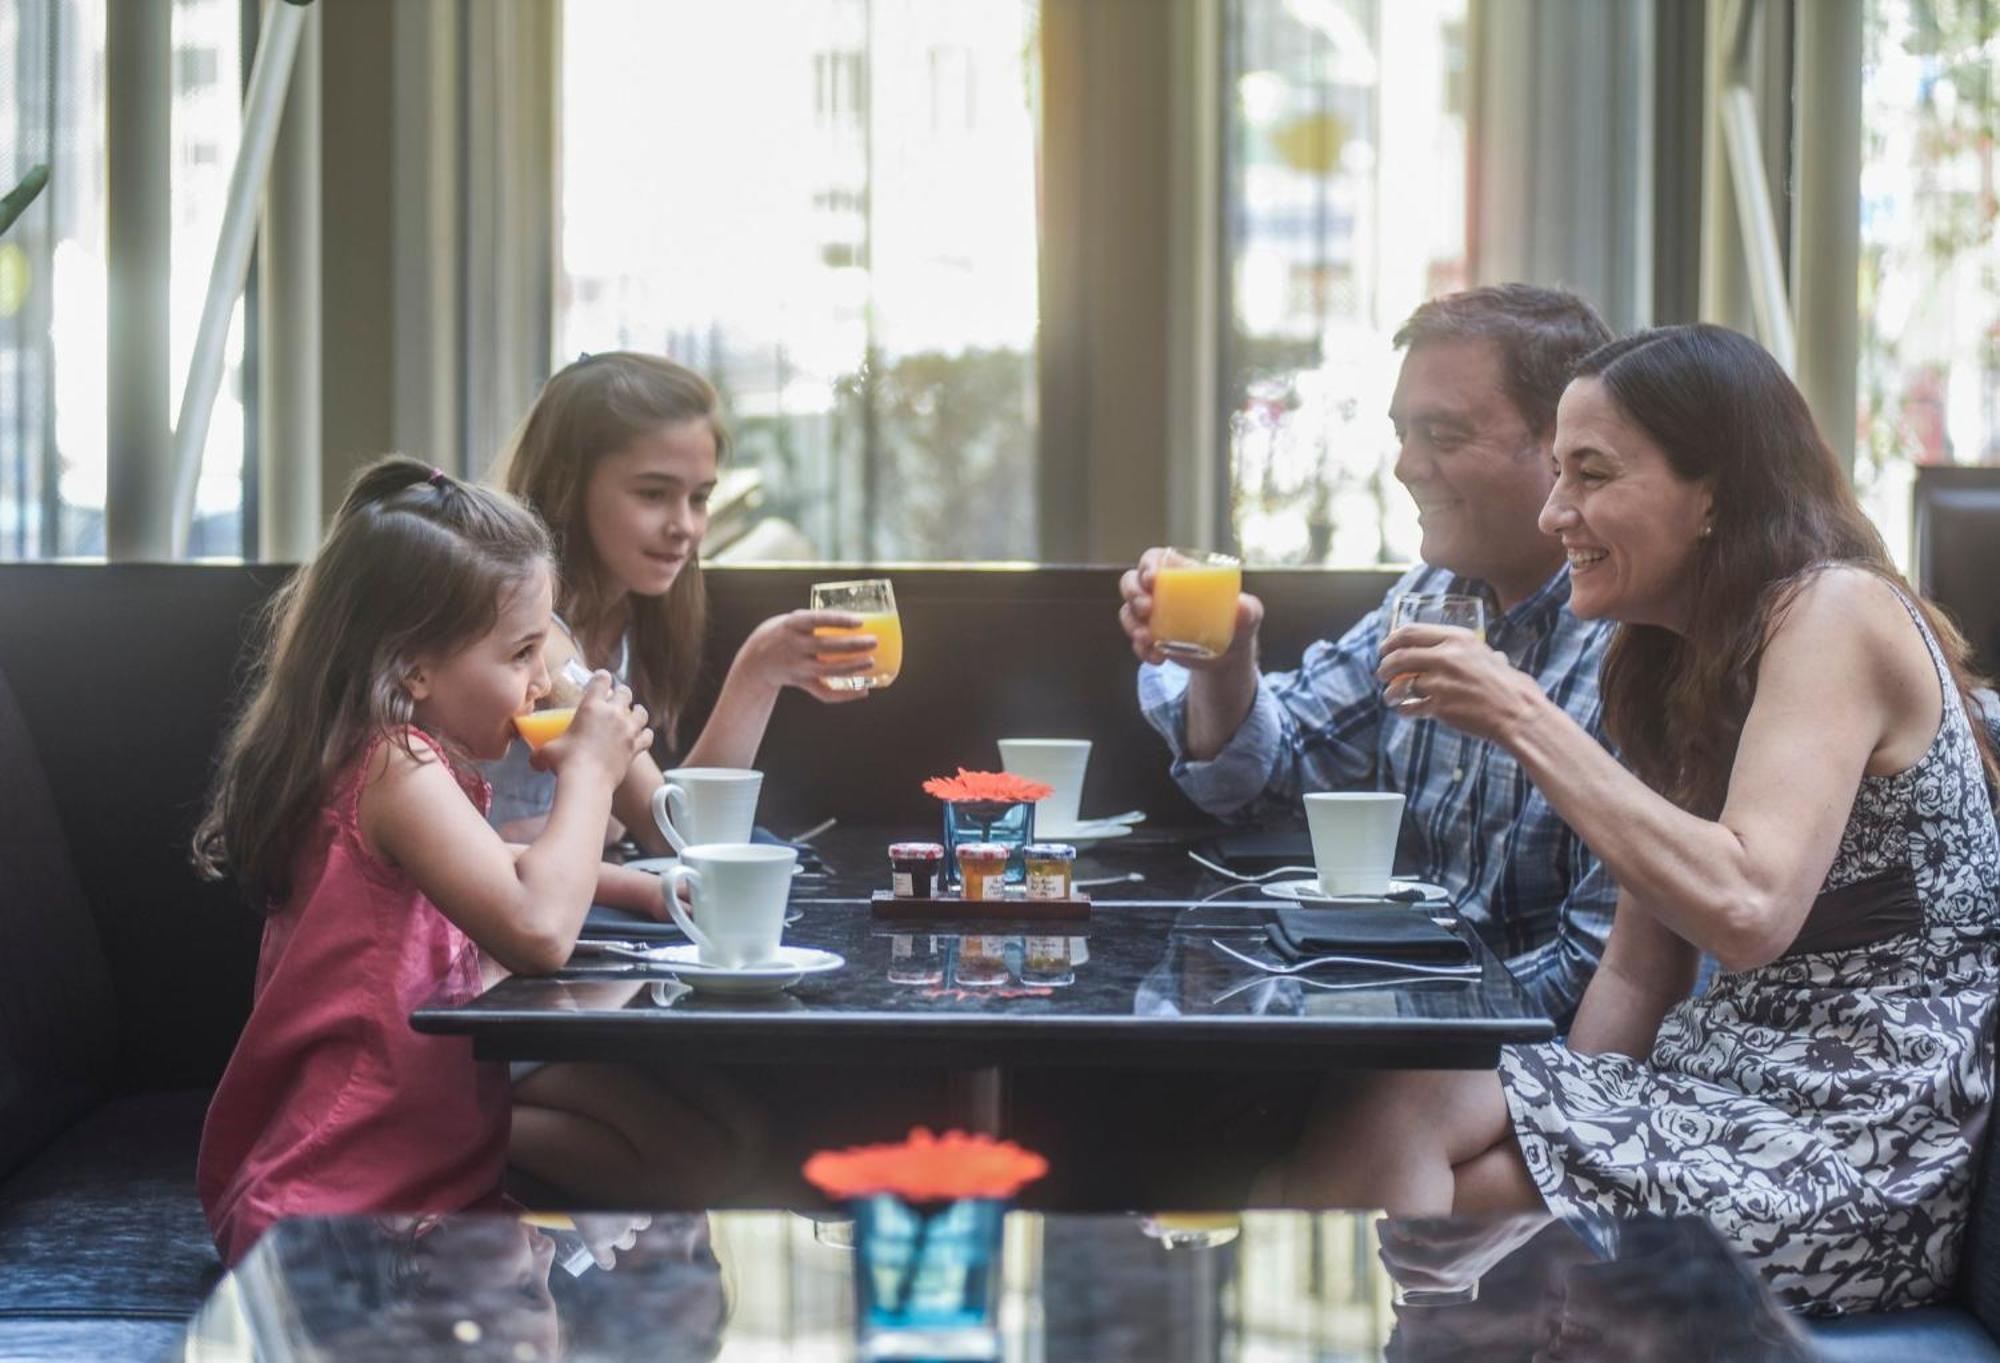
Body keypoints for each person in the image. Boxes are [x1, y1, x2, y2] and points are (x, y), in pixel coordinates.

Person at [1267, 324, 2000, 1317]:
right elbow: (1635, 970)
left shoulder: (1835, 612)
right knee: (1407, 1103)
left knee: (1453, 1188)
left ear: (1712, 496)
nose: (1553, 509)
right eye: (1556, 471)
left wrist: (1518, 711)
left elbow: (1746, 906)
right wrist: (1573, 1116)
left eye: (1590, 474)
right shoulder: (1659, 661)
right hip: (1713, 1095)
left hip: (1854, 1148)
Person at [191, 458, 757, 1265]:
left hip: (419, 1169)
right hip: (334, 1204)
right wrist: (590, 768)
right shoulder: (396, 767)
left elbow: (500, 863)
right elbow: (536, 928)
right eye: (522, 652)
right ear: (414, 665)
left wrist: (642, 888)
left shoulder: (396, 759)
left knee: (686, 1163)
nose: (540, 682)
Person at [1120, 284, 1619, 1025]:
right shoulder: (1435, 594)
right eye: (1403, 434)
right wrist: (1223, 663)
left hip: (1516, 1049)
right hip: (1416, 1017)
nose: (1406, 467)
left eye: (1443, 435)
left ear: (1562, 448)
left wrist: (1379, 1019)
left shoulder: (1631, 642)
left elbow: (1601, 970)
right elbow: (1263, 780)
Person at [486, 351, 878, 849]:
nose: (685, 527)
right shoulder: (538, 635)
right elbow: (676, 829)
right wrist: (758, 668)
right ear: (567, 484)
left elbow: (653, 820)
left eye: (700, 498)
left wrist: (608, 820)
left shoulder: (625, 612)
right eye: (653, 494)